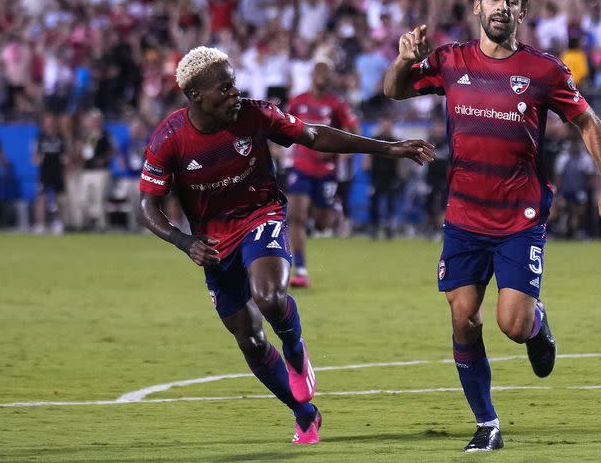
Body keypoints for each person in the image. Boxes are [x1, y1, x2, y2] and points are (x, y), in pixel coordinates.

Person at [383, 0, 601, 452]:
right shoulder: (451, 60)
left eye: (512, 0)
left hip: (519, 218)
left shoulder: (543, 70)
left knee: (511, 324)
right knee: (462, 319)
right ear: (478, 7)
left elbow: (588, 121)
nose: (502, 7)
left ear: (523, 11)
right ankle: (487, 423)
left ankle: (537, 325)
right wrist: (404, 60)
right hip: (464, 217)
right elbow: (394, 89)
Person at [137, 46, 433, 445]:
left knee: (270, 296)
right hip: (213, 242)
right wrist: (183, 240)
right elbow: (148, 204)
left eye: (235, 84)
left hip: (261, 216)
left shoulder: (256, 115)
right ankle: (304, 413)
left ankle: (295, 350)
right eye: (224, 89)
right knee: (251, 339)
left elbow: (312, 135)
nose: (234, 94)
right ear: (197, 97)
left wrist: (386, 146)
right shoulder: (169, 138)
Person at [285, 59, 360, 288]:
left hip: (326, 171)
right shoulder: (298, 102)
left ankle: (333, 210)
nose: (322, 76)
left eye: (326, 72)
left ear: (330, 78)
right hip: (301, 167)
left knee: (321, 224)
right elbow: (281, 124)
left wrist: (342, 152)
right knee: (295, 217)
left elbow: (354, 130)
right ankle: (301, 271)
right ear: (312, 75)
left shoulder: (337, 104)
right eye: (318, 71)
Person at [363, 118, 402, 239]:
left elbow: (398, 160)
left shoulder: (395, 141)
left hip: (390, 177)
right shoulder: (375, 139)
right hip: (376, 176)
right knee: (374, 203)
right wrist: (366, 167)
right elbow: (368, 156)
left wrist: (398, 175)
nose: (386, 126)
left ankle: (389, 228)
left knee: (390, 203)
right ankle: (374, 228)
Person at [32, 113, 68, 235]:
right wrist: (37, 159)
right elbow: (34, 155)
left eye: (52, 121)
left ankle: (58, 222)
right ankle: (40, 224)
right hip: (45, 171)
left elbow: (65, 153)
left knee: (60, 198)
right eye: (47, 121)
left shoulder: (60, 137)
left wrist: (66, 161)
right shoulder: (40, 138)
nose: (50, 123)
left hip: (57, 171)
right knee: (41, 198)